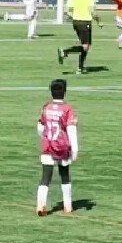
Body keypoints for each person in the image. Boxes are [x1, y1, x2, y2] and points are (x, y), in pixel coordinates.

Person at [36, 78, 78, 216]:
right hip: (62, 147)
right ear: (64, 92)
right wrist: (75, 149)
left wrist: (45, 137)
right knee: (64, 175)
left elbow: (40, 127)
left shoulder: (46, 107)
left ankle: (41, 204)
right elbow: (71, 129)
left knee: (45, 177)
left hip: (48, 145)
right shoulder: (67, 109)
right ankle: (68, 206)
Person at [58, 0, 100, 74]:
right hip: (85, 21)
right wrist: (98, 20)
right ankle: (65, 51)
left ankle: (80, 68)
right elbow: (91, 11)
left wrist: (71, 16)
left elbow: (69, 11)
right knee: (85, 46)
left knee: (85, 45)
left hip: (76, 22)